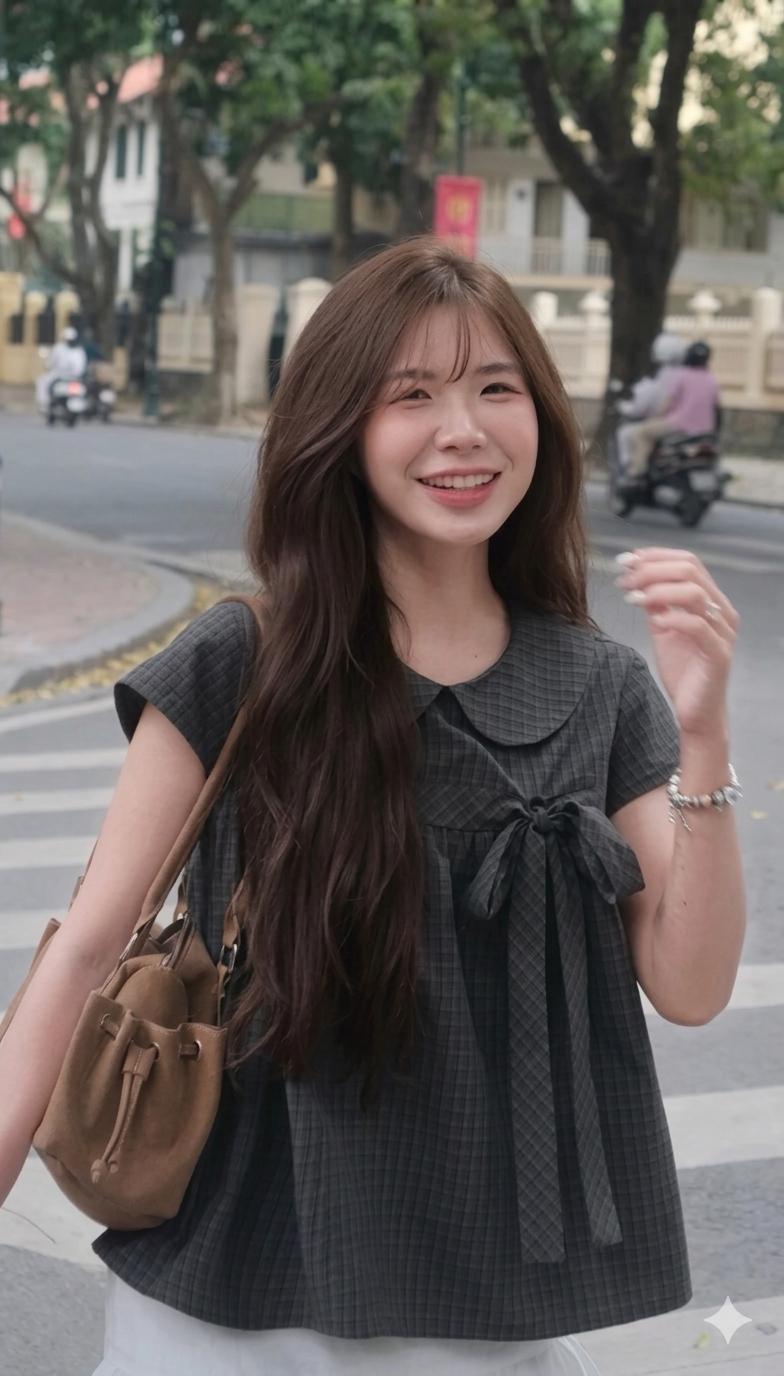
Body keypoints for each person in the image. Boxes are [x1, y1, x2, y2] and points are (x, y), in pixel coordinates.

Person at [0, 241, 745, 1376]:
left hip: (489, 1319)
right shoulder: (243, 661)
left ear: (541, 418)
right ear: (338, 429)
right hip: (227, 1310)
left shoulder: (602, 689)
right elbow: (88, 947)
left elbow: (689, 986)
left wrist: (704, 733)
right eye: (413, 396)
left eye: (496, 388)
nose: (464, 429)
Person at [626, 339, 721, 478]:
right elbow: (717, 408)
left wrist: (656, 417)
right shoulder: (712, 379)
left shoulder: (682, 376)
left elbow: (668, 404)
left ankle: (636, 472)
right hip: (705, 430)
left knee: (642, 433)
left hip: (679, 425)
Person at [615, 331, 686, 472]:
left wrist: (626, 407)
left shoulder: (662, 376)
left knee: (631, 434)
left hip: (667, 422)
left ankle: (634, 471)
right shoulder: (686, 374)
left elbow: (646, 404)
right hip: (687, 426)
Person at [35, 325, 88, 411]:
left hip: (64, 375)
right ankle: (45, 403)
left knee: (42, 381)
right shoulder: (77, 350)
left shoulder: (61, 348)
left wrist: (48, 366)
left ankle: (45, 403)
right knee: (42, 381)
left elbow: (51, 362)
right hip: (68, 376)